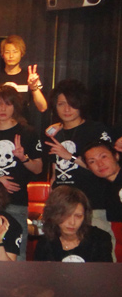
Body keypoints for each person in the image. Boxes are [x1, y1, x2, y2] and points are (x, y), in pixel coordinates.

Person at [0, 85, 43, 260]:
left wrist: (23, 158)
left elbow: (38, 168)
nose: (3, 108)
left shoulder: (28, 133)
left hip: (17, 202)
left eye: (8, 104)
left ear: (15, 106)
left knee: (18, 253)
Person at [46, 79, 112, 237]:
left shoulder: (95, 130)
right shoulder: (54, 133)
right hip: (62, 207)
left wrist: (70, 157)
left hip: (92, 206)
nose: (67, 109)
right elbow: (54, 169)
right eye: (61, 104)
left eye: (72, 103)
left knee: (99, 247)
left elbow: (105, 168)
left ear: (80, 104)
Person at [35, 186, 112, 263]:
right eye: (66, 216)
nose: (72, 222)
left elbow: (106, 270)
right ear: (54, 215)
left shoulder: (100, 240)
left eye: (78, 216)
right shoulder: (45, 243)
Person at [0, 35, 47, 118]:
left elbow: (42, 107)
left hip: (22, 123)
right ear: (2, 54)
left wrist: (34, 87)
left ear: (22, 53)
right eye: (7, 52)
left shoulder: (29, 78)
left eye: (15, 52)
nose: (11, 56)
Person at [82, 140, 122, 261]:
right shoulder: (101, 190)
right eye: (92, 161)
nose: (100, 164)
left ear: (116, 156)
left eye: (103, 157)